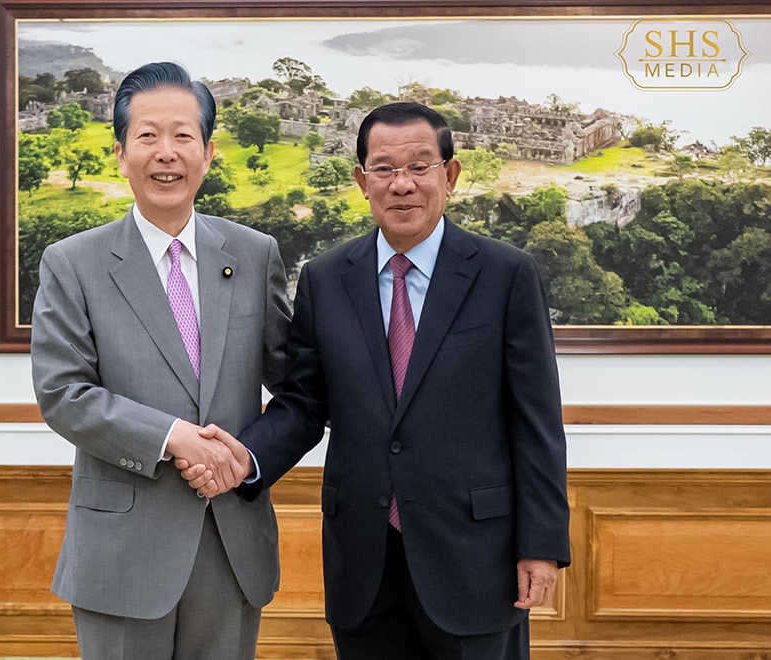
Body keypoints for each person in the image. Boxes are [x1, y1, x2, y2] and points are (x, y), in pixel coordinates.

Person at [178, 103, 570, 659]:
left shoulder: (505, 274)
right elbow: (303, 403)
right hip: (363, 560)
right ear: (363, 181)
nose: (401, 184)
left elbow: (536, 422)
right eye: (384, 169)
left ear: (450, 175)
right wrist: (244, 458)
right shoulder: (325, 279)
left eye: (420, 166)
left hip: (476, 558)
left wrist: (542, 544)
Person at [30, 62, 290, 660]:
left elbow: (296, 388)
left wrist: (247, 459)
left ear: (209, 152)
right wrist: (175, 437)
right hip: (121, 549)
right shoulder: (73, 263)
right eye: (147, 136)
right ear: (121, 153)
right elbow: (64, 394)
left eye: (182, 135)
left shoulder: (255, 255)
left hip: (232, 540)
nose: (165, 153)